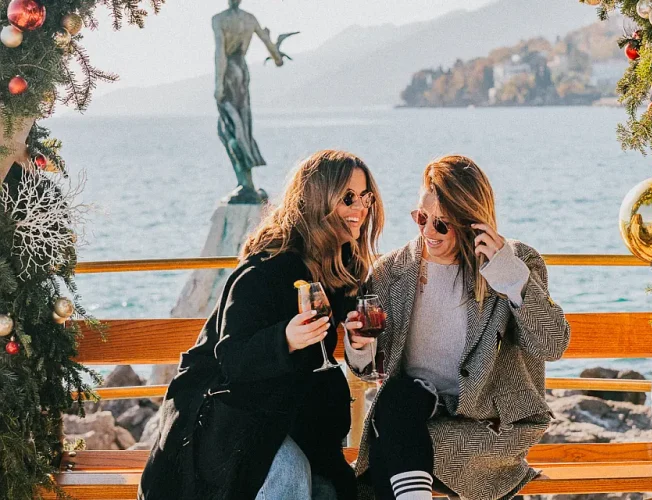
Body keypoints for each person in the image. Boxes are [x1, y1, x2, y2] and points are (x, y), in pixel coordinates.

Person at [138, 150, 384, 500]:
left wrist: (357, 338)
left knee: (329, 490)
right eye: (348, 198)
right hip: (225, 417)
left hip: (287, 416)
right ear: (318, 200)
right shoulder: (265, 269)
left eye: (365, 197)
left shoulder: (343, 265)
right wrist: (284, 339)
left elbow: (349, 342)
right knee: (290, 473)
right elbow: (232, 358)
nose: (360, 208)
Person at [345, 155, 570, 500]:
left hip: (485, 427)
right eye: (421, 218)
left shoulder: (515, 262)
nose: (427, 233)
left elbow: (552, 344)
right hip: (413, 412)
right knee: (398, 401)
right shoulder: (391, 272)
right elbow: (369, 371)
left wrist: (508, 278)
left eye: (441, 225)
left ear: (470, 222)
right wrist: (360, 346)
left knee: (391, 447)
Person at [213, 0, 284, 203]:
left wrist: (218, 85)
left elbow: (220, 52)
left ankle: (245, 182)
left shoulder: (219, 19)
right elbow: (272, 51)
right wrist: (277, 56)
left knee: (229, 129)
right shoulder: (249, 19)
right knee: (242, 124)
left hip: (228, 73)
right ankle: (247, 182)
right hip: (242, 72)